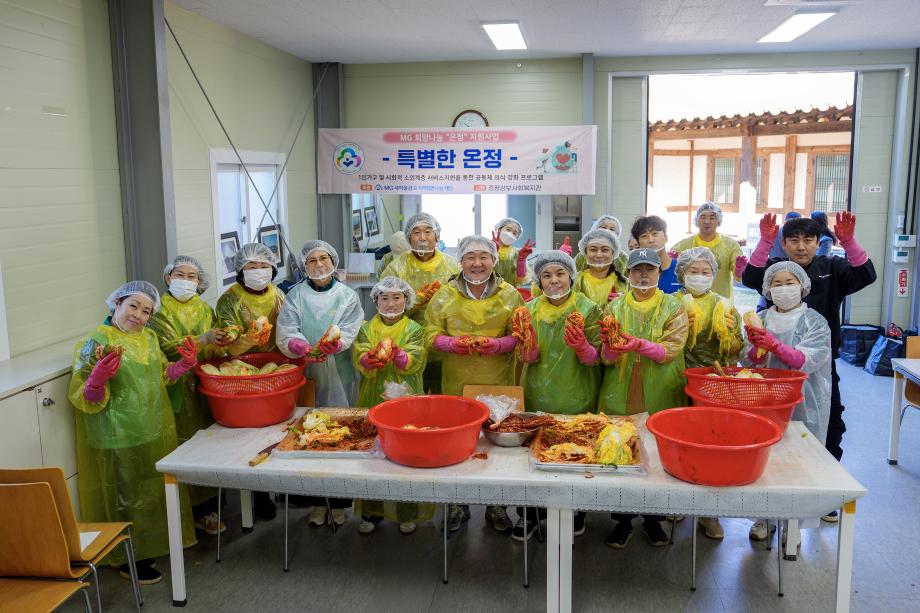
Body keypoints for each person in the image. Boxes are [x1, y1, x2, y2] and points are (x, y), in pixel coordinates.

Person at [742, 212, 876, 516]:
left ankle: (824, 492)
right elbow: (750, 277)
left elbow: (865, 275)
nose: (801, 246)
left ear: (818, 242)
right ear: (784, 243)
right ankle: (770, 498)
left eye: (808, 239)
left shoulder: (832, 268)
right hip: (773, 367)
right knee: (770, 428)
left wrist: (849, 243)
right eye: (793, 240)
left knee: (829, 424)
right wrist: (764, 242)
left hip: (819, 365)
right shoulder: (776, 268)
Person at [68, 282, 196, 584]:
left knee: (148, 494)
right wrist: (96, 381)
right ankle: (128, 558)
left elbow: (162, 376)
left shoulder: (149, 337)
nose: (138, 315)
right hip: (115, 434)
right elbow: (84, 396)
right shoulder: (96, 341)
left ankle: (145, 547)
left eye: (146, 311)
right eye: (133, 306)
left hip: (150, 428)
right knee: (124, 498)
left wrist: (183, 365)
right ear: (117, 304)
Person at [424, 234, 524, 533]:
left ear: (494, 261)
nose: (477, 263)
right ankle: (457, 504)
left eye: (484, 257)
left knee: (499, 445)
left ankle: (497, 506)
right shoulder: (444, 295)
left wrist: (499, 344)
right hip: (457, 382)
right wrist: (451, 344)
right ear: (461, 261)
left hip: (498, 383)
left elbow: (522, 334)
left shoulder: (510, 295)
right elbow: (429, 333)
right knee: (457, 445)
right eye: (470, 257)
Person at [598, 249, 689, 549]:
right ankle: (622, 521)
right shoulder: (614, 307)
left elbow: (671, 350)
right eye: (637, 269)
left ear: (659, 272)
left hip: (661, 388)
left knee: (658, 454)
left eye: (650, 269)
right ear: (628, 273)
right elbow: (606, 356)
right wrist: (610, 348)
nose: (644, 275)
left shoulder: (673, 307)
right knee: (621, 449)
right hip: (620, 388)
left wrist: (638, 345)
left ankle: (654, 519)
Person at [514, 250, 602, 541]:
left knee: (577, 453)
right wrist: (528, 351)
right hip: (537, 392)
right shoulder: (528, 309)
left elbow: (599, 356)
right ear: (538, 280)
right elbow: (523, 354)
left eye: (560, 273)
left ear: (571, 276)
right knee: (534, 457)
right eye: (547, 275)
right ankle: (531, 514)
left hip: (578, 392)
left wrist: (583, 349)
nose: (554, 280)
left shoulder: (588, 308)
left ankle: (576, 512)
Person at [742, 261, 832, 541]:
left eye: (789, 283)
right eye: (776, 284)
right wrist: (756, 349)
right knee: (765, 459)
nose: (783, 289)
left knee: (798, 459)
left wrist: (775, 346)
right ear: (767, 289)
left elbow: (807, 360)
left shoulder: (814, 321)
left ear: (802, 286)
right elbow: (747, 360)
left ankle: (794, 524)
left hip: (803, 401)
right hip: (764, 400)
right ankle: (763, 518)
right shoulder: (761, 318)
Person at [278, 240, 364, 528]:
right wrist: (300, 346)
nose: (319, 264)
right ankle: (316, 501)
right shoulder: (295, 296)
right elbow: (287, 329)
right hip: (309, 374)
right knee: (309, 435)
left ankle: (339, 502)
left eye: (324, 258)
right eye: (312, 260)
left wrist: (335, 344)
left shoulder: (347, 296)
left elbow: (351, 328)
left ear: (333, 261)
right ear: (304, 266)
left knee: (341, 434)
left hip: (342, 372)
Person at [149, 256, 229, 536]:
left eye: (191, 276)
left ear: (199, 281)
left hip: (206, 383)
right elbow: (170, 348)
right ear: (168, 278)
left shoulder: (205, 308)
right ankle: (190, 512)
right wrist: (203, 339)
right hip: (176, 385)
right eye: (179, 274)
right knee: (185, 445)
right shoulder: (158, 310)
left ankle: (211, 506)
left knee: (210, 445)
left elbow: (215, 346)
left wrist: (220, 342)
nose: (185, 280)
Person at [352, 276, 434, 535]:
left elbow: (417, 359)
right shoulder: (366, 328)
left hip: (406, 398)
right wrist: (366, 360)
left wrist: (400, 356)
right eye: (384, 298)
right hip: (372, 397)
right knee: (372, 453)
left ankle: (406, 512)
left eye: (397, 297)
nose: (390, 303)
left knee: (406, 452)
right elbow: (359, 352)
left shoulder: (414, 328)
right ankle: (371, 511)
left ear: (406, 300)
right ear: (375, 301)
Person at [673, 247, 742, 540]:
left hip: (712, 384)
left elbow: (737, 350)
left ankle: (710, 513)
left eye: (706, 272)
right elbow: (659, 343)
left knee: (712, 444)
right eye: (693, 271)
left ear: (714, 275)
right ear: (681, 274)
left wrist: (728, 335)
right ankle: (676, 502)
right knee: (679, 441)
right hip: (675, 380)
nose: (699, 277)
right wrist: (679, 329)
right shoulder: (670, 303)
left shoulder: (725, 305)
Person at [216, 242, 285, 520]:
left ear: (273, 268)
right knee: (250, 434)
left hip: (277, 369)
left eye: (264, 265)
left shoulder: (279, 295)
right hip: (242, 372)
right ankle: (257, 492)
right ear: (240, 270)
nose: (258, 270)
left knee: (276, 430)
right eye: (251, 266)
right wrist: (247, 339)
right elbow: (228, 346)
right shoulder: (229, 300)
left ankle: (278, 482)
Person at [380, 212, 460, 393]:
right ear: (409, 238)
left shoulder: (452, 266)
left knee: (443, 395)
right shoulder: (396, 268)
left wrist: (443, 302)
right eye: (416, 232)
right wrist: (414, 301)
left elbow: (463, 304)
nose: (422, 237)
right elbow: (385, 310)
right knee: (412, 396)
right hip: (407, 346)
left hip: (445, 344)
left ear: (437, 236)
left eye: (428, 231)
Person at [672, 202, 745, 300]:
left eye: (712, 217)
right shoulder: (684, 245)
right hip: (690, 302)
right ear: (697, 220)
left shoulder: (731, 245)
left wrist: (739, 269)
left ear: (719, 221)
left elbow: (739, 277)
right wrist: (671, 259)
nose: (707, 221)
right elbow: (670, 265)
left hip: (720, 302)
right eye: (703, 217)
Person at [571, 229, 629, 306]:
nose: (599, 255)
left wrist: (623, 302)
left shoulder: (625, 283)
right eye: (593, 250)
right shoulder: (575, 281)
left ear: (613, 253)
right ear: (585, 253)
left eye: (605, 250)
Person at [631, 215, 681, 294]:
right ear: (638, 244)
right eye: (644, 236)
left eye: (655, 234)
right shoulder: (636, 274)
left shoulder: (682, 269)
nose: (651, 240)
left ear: (666, 238)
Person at [490, 217, 535, 286]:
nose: (510, 234)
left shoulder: (517, 253)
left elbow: (521, 279)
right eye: (508, 229)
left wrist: (521, 260)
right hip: (489, 290)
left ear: (517, 238)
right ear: (499, 229)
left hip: (510, 290)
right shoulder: (486, 247)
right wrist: (492, 252)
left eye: (515, 233)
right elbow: (480, 272)